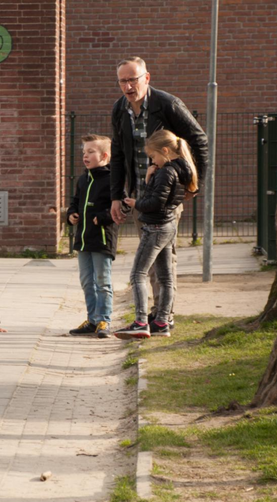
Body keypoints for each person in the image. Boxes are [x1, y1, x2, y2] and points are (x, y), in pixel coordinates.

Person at [109, 56, 208, 329]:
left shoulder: (168, 104)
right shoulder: (119, 110)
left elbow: (199, 140)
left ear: (147, 78)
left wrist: (195, 183)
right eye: (123, 81)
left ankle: (162, 316)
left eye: (134, 79)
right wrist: (116, 195)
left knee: (163, 258)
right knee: (151, 260)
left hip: (167, 194)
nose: (129, 86)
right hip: (141, 196)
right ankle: (158, 316)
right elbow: (117, 155)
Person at [114, 129, 198, 339]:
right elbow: (166, 198)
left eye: (153, 156)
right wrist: (151, 178)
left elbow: (155, 202)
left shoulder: (166, 171)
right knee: (166, 277)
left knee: (137, 274)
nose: (153, 161)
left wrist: (136, 203)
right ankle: (161, 321)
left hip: (155, 227)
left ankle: (141, 322)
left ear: (166, 150)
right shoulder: (183, 169)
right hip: (168, 226)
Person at [67, 134, 119, 339]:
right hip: (83, 239)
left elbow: (120, 205)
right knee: (87, 281)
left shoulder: (112, 180)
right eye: (83, 153)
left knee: (102, 281)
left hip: (102, 239)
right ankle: (92, 319)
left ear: (105, 155)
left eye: (90, 152)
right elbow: (75, 201)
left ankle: (104, 320)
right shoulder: (83, 179)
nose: (85, 156)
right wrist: (70, 214)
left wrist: (104, 217)